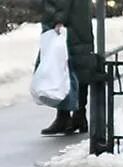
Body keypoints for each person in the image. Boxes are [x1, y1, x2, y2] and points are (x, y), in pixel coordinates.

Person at [40, 0, 95, 136]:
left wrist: (58, 20)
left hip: (68, 26)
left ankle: (64, 117)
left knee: (63, 69)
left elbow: (61, 3)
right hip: (79, 23)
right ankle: (79, 116)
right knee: (78, 68)